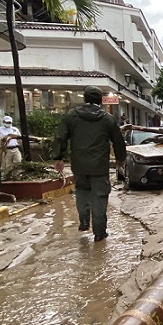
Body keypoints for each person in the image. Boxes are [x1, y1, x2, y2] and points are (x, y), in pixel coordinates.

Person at [52, 86, 127, 242]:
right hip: (99, 166)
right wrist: (121, 159)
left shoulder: (71, 116)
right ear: (100, 100)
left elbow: (60, 137)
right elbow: (118, 141)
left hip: (79, 165)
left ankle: (84, 222)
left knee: (82, 191)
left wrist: (57, 158)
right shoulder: (107, 118)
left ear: (85, 99)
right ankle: (99, 233)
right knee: (100, 196)